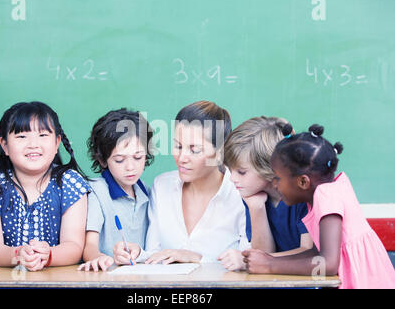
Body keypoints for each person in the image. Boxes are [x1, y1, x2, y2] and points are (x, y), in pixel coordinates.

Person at [243, 124, 395, 289]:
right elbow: (317, 254)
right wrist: (269, 259)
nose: (274, 184)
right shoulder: (320, 197)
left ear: (303, 181)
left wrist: (269, 266)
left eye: (278, 178)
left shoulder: (326, 196)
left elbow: (328, 265)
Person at [113, 100, 249, 265]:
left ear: (220, 152)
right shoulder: (162, 186)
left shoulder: (239, 192)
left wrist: (197, 258)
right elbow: (155, 254)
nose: (182, 158)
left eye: (194, 150)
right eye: (178, 146)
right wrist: (137, 254)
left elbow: (246, 261)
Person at [0, 101, 89, 271]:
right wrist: (17, 254)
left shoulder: (71, 183)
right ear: (5, 145)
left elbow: (74, 246)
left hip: (58, 280)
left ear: (57, 143)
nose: (33, 144)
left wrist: (48, 255)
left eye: (43, 135)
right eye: (22, 136)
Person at [219, 116, 312, 271]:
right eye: (230, 170)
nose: (232, 179)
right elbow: (265, 253)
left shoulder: (304, 194)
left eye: (241, 172)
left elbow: (308, 253)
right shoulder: (253, 193)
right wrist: (257, 208)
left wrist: (246, 260)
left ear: (270, 169)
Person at [78, 108, 154, 271]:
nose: (130, 167)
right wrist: (98, 258)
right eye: (119, 160)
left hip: (141, 278)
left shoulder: (147, 192)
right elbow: (89, 246)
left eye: (138, 157)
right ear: (102, 160)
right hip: (106, 277)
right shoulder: (96, 191)